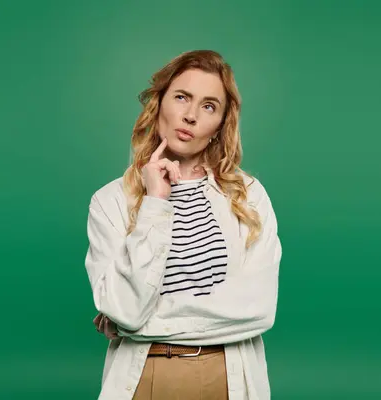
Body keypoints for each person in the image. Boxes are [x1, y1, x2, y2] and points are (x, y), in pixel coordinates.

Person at [83, 49, 282, 400]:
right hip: (145, 376)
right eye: (181, 97)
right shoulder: (110, 201)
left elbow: (258, 309)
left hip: (226, 377)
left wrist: (132, 324)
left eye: (208, 106)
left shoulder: (249, 196)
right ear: (159, 103)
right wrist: (156, 203)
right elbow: (125, 307)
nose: (190, 116)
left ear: (221, 124)